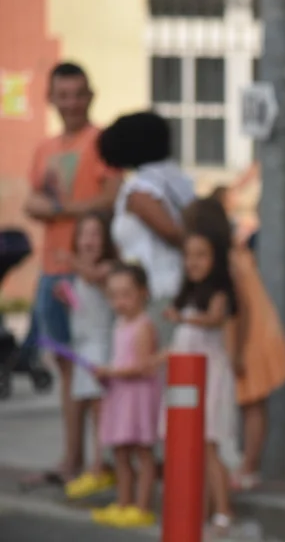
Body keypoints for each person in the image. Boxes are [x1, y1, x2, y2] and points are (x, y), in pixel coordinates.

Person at [22, 61, 122, 486]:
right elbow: (30, 202)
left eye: (78, 94)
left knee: (95, 364)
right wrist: (70, 209)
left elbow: (110, 197)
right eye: (63, 95)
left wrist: (60, 209)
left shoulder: (101, 143)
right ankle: (74, 458)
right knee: (66, 366)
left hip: (89, 273)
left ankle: (103, 460)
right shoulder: (45, 148)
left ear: (90, 96)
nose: (72, 103)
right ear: (51, 99)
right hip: (52, 269)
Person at [183, 196, 285, 492]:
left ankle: (249, 467)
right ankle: (248, 464)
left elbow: (239, 308)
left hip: (252, 335)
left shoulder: (228, 260)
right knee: (253, 402)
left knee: (252, 402)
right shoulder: (235, 253)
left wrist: (239, 350)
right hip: (260, 330)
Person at [162, 213, 238, 533]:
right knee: (189, 446)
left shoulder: (218, 295)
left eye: (201, 255)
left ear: (215, 259)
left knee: (208, 445)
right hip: (186, 385)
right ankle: (201, 508)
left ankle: (223, 510)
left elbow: (215, 320)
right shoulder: (186, 298)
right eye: (188, 255)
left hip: (211, 381)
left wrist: (182, 318)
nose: (193, 262)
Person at [97, 111, 197, 345]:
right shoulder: (175, 177)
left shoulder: (141, 190)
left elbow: (172, 233)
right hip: (175, 287)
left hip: (158, 291)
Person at [91, 263, 163, 529]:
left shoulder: (144, 326)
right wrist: (106, 375)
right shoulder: (120, 325)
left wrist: (110, 371)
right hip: (120, 396)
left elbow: (143, 366)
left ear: (143, 293)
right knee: (120, 453)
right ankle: (123, 503)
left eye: (126, 294)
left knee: (143, 453)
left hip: (138, 398)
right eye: (113, 295)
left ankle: (142, 507)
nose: (119, 302)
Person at [60, 211, 118, 501]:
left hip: (100, 348)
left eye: (95, 234)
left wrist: (72, 262)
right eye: (83, 234)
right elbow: (83, 307)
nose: (89, 241)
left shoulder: (106, 269)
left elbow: (93, 277)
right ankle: (96, 463)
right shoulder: (80, 274)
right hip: (83, 347)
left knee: (100, 411)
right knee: (90, 406)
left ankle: (101, 465)